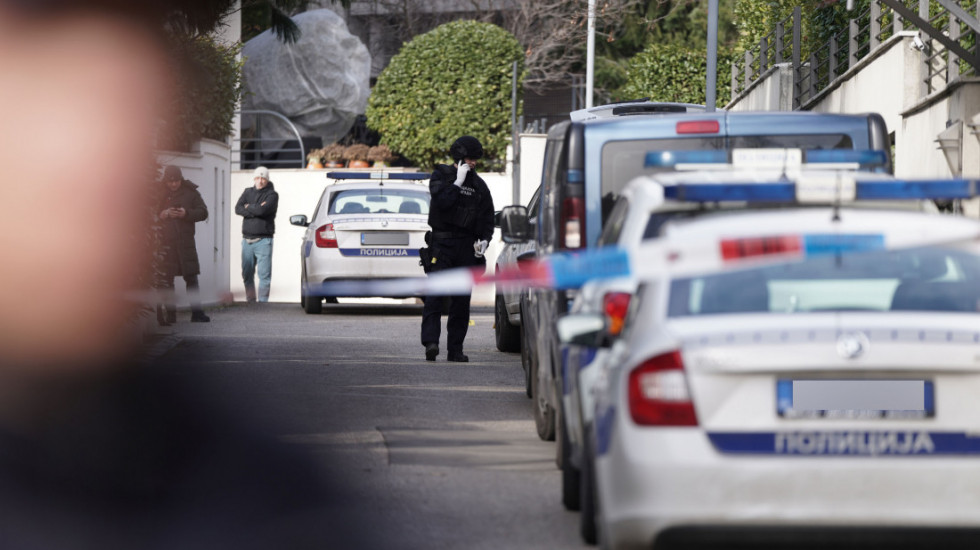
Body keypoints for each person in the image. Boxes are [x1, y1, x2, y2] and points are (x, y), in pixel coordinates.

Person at [420, 136, 495, 362]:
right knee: (434, 297)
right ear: (459, 157)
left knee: (461, 302)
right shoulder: (441, 175)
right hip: (442, 245)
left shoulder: (480, 186)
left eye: (475, 160)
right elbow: (442, 202)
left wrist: (485, 240)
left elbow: (487, 219)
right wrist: (457, 183)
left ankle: (455, 349)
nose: (472, 163)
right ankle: (431, 343)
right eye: (469, 159)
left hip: (466, 248)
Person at [156, 165, 210, 324]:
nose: (173, 184)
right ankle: (171, 315)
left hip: (186, 242)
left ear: (181, 179)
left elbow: (203, 212)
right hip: (165, 244)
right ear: (166, 180)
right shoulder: (159, 192)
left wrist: (186, 213)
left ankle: (197, 313)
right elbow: (150, 214)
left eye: (176, 181)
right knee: (167, 280)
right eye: (170, 181)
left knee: (192, 278)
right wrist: (164, 214)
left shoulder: (190, 192)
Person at [235, 166, 279, 302]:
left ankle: (263, 303)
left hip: (264, 240)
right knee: (247, 274)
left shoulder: (272, 195)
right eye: (258, 178)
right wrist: (257, 207)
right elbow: (238, 208)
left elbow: (263, 211)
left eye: (263, 178)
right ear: (254, 178)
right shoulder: (247, 192)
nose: (260, 181)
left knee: (264, 275)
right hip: (246, 241)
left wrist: (249, 207)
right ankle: (251, 301)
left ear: (267, 180)